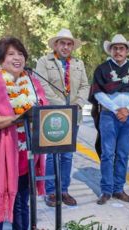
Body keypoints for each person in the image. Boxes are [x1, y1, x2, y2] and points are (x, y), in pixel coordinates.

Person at [0, 37, 47, 230]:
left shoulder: (32, 83)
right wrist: (16, 119)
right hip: (2, 155)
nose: (17, 57)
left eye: (20, 53)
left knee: (22, 203)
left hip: (28, 154)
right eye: (11, 54)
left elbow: (44, 108)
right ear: (0, 59)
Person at [88, 34, 129, 205]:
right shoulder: (102, 69)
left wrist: (128, 109)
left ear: (126, 51)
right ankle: (106, 190)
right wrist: (116, 109)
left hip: (128, 117)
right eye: (115, 48)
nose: (118, 51)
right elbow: (98, 93)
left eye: (121, 48)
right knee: (108, 154)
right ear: (110, 50)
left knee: (123, 154)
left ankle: (119, 189)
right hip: (109, 116)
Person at [36, 28, 89, 207]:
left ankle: (63, 190)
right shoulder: (44, 62)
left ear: (72, 47)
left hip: (74, 116)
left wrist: (77, 105)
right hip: (53, 116)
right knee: (52, 155)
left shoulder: (78, 64)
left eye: (69, 44)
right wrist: (63, 108)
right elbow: (42, 86)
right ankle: (50, 192)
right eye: (62, 43)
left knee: (67, 155)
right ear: (56, 45)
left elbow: (84, 85)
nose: (66, 47)